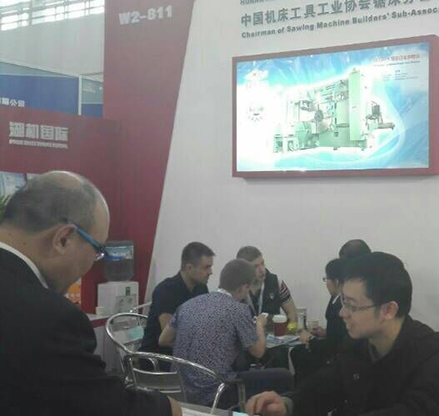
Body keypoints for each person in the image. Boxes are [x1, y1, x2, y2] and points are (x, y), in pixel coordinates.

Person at [0, 171, 181, 416]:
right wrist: (167, 408)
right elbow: (100, 405)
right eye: (98, 250)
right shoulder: (49, 317)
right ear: (63, 239)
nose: (94, 262)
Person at [246, 252, 439, 416]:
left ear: (389, 310)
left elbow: (416, 410)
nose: (342, 313)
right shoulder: (357, 345)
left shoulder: (435, 354)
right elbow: (325, 385)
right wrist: (287, 403)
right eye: (343, 301)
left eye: (352, 305)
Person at [159, 259, 293, 408]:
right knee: (284, 376)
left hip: (178, 392)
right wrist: (260, 325)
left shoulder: (188, 305)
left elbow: (163, 340)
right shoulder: (239, 310)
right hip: (215, 393)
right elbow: (258, 351)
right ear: (243, 287)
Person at [141, 241, 214, 356]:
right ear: (189, 268)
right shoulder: (166, 290)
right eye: (206, 267)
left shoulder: (201, 288)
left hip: (183, 354)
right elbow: (169, 338)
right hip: (158, 357)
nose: (211, 272)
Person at [291, 258, 349, 384]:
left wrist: (310, 340)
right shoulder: (335, 298)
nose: (326, 283)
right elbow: (338, 333)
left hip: (336, 356)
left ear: (336, 282)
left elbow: (334, 345)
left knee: (298, 353)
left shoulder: (342, 305)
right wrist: (325, 332)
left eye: (327, 279)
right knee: (297, 352)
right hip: (333, 347)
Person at [237, 246, 297, 322]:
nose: (262, 269)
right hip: (245, 329)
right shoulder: (234, 288)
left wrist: (289, 327)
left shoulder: (277, 282)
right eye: (255, 267)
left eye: (262, 263)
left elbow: (292, 313)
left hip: (272, 329)